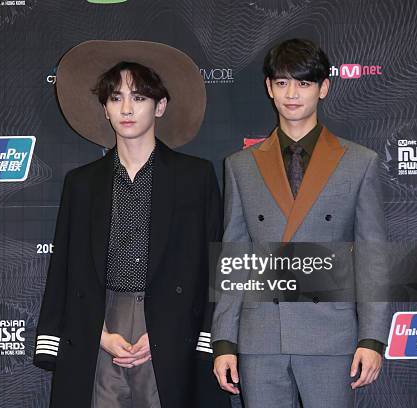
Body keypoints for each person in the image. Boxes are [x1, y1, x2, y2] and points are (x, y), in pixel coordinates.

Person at [34, 40, 226, 408]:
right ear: (104, 109)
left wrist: (184, 335)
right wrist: (95, 333)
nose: (126, 108)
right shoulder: (82, 183)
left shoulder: (194, 177)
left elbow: (213, 265)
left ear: (160, 106)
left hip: (171, 326)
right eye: (116, 98)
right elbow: (64, 268)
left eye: (139, 98)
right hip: (101, 322)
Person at [211, 38, 390, 408]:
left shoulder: (359, 162)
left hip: (330, 336)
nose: (292, 93)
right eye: (281, 82)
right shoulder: (240, 165)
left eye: (304, 83)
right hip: (260, 337)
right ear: (269, 89)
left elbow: (373, 257)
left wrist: (372, 339)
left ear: (324, 88)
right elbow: (235, 256)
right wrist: (224, 341)